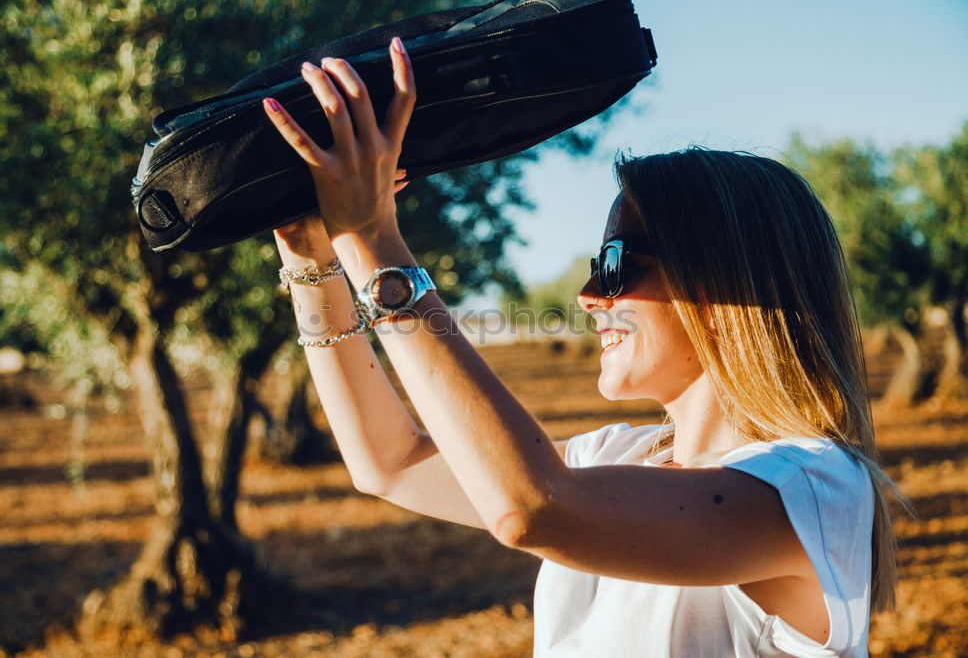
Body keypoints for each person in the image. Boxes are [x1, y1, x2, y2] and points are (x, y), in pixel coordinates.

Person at [260, 36, 897, 657]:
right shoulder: (615, 456)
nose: (590, 295)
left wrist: (373, 238)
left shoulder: (815, 491)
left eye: (616, 263)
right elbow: (390, 462)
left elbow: (530, 509)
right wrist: (313, 261)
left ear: (728, 283)